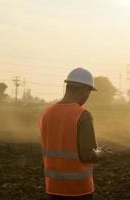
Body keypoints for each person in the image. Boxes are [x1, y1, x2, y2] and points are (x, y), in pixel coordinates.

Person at [38, 68, 111, 200]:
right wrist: (101, 153)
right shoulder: (83, 115)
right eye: (89, 92)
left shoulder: (46, 114)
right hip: (78, 190)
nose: (88, 96)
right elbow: (87, 155)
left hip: (53, 189)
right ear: (82, 89)